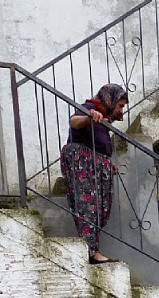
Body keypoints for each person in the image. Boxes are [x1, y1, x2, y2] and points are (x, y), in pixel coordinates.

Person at [60, 84, 128, 264]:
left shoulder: (103, 117)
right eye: (120, 105)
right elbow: (74, 121)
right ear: (110, 100)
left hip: (96, 166)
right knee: (88, 207)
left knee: (100, 210)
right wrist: (90, 117)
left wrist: (106, 163)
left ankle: (93, 249)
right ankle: (92, 252)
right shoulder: (90, 108)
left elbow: (98, 144)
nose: (121, 110)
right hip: (83, 165)